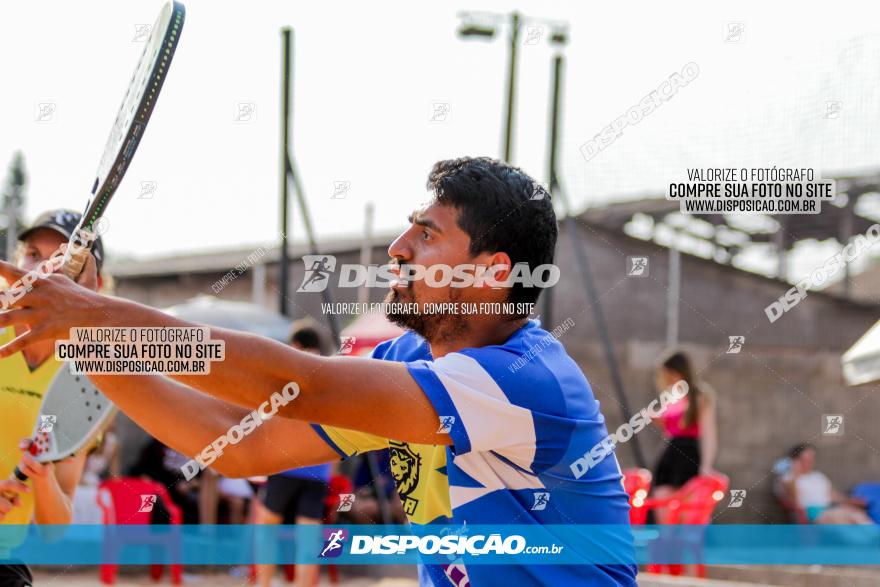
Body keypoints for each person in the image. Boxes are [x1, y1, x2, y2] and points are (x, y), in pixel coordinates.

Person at [0, 157, 638, 586]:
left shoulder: (521, 380)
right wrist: (87, 336)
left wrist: (105, 315)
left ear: (494, 271)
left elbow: (298, 383)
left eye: (428, 234)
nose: (398, 248)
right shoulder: (409, 362)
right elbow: (239, 443)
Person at [0, 210, 106, 587]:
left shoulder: (86, 381)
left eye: (61, 261)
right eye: (32, 254)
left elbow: (54, 531)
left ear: (93, 287)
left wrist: (41, 476)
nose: (41, 270)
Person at [253, 321, 333, 587]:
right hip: (318, 469)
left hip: (286, 464)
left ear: (296, 345)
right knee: (308, 537)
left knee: (268, 528)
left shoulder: (289, 374)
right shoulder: (329, 376)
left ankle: (263, 583)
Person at [650, 351, 718, 519]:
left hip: (689, 458)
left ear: (675, 373)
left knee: (689, 518)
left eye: (665, 374)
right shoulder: (670, 396)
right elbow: (671, 430)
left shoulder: (700, 396)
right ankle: (667, 544)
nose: (662, 379)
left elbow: (709, 434)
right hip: (668, 455)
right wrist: (658, 421)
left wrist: (706, 466)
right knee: (664, 513)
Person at [780, 443, 872, 525]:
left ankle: (874, 538)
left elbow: (833, 496)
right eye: (806, 458)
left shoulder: (818, 476)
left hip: (830, 508)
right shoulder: (788, 478)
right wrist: (796, 472)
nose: (810, 461)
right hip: (812, 513)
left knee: (856, 514)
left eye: (812, 458)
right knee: (840, 518)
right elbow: (792, 498)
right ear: (796, 460)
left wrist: (851, 501)